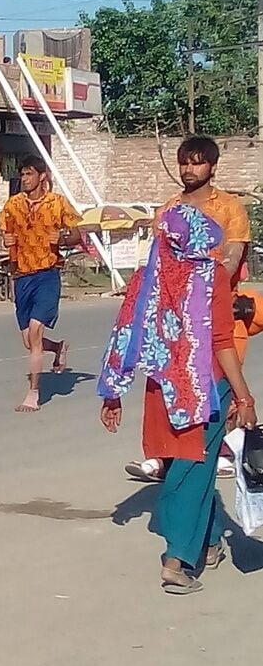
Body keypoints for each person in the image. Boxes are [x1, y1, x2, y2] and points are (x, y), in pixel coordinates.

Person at [99, 203, 256, 593]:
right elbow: (221, 341)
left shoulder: (147, 277)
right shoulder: (211, 275)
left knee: (184, 471)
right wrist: (245, 396)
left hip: (161, 393)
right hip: (205, 392)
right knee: (192, 476)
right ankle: (177, 561)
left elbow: (125, 335)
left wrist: (113, 393)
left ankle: (211, 542)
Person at [125, 138, 251, 483]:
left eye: (196, 163)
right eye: (184, 163)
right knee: (164, 384)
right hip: (171, 322)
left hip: (217, 312)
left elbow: (231, 260)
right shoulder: (167, 211)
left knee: (216, 382)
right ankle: (163, 453)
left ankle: (220, 450)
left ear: (212, 166)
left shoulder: (229, 208)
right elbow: (156, 264)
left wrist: (198, 287)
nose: (188, 170)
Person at [0, 162, 83, 411]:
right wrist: (4, 239)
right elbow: (2, 234)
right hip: (22, 275)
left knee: (36, 331)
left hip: (47, 274)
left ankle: (33, 394)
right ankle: (58, 347)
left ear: (42, 176)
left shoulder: (57, 203)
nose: (24, 179)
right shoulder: (13, 204)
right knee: (28, 340)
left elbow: (77, 234)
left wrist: (64, 238)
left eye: (29, 174)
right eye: (22, 174)